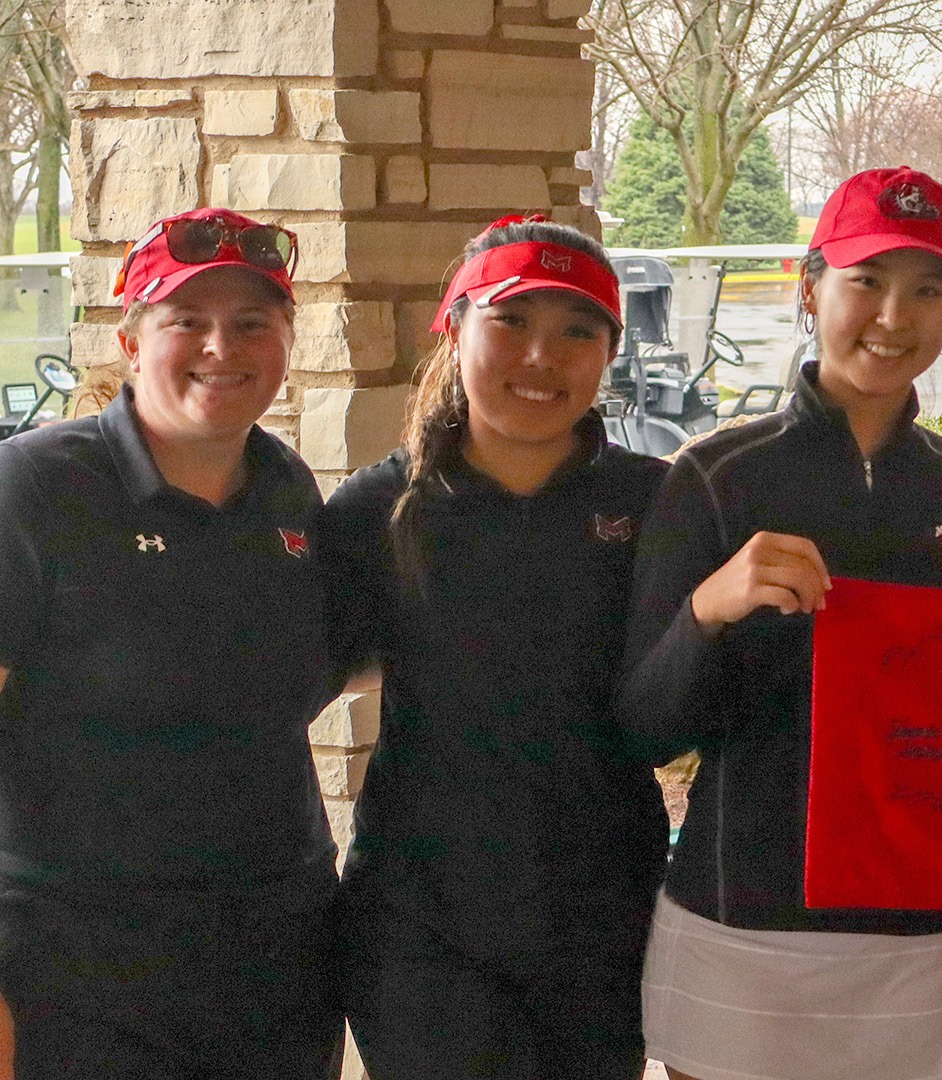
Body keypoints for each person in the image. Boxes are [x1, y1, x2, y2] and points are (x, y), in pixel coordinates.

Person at [616, 166, 942, 1080]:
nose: (893, 316)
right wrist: (710, 610)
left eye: (928, 289)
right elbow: (644, 727)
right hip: (743, 920)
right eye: (866, 281)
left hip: (924, 932)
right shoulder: (714, 478)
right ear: (809, 288)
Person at [314, 215, 671, 1079]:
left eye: (576, 332)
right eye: (510, 322)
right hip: (423, 927)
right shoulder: (380, 510)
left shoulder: (658, 504)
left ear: (611, 351)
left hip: (604, 921)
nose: (541, 357)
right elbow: (274, 685)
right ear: (456, 325)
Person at [0, 208, 340, 1076]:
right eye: (186, 319)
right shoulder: (33, 489)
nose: (220, 346)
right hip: (77, 968)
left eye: (252, 323)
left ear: (285, 343)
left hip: (276, 952)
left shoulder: (287, 489)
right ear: (131, 338)